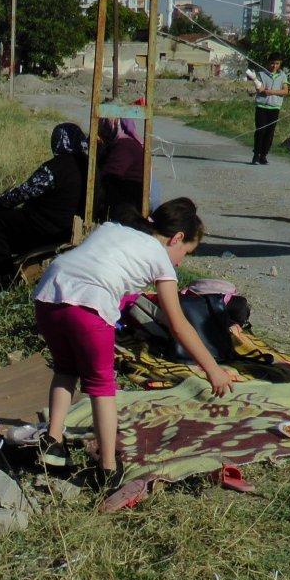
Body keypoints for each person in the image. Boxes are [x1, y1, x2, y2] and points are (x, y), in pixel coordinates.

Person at [31, 198, 238, 490]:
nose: (180, 261)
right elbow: (178, 325)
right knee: (102, 387)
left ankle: (51, 443)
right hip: (90, 305)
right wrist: (212, 369)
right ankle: (107, 469)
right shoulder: (160, 258)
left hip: (49, 294)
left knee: (66, 368)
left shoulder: (112, 228)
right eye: (185, 253)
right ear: (177, 238)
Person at [0, 123, 88, 281]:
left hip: (44, 229)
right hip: (70, 229)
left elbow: (25, 192)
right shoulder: (89, 168)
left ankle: (3, 274)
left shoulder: (55, 168)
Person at [96, 117, 146, 226]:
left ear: (116, 124)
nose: (100, 126)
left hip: (126, 210)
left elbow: (106, 177)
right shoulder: (119, 144)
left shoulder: (125, 145)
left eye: (105, 122)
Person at [250, 54, 290, 165]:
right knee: (260, 130)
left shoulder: (283, 76)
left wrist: (272, 92)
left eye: (277, 63)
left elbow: (285, 91)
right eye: (272, 63)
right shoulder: (261, 74)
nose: (274, 66)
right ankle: (256, 154)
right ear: (268, 63)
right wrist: (262, 89)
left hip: (275, 107)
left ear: (280, 64)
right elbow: (259, 88)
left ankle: (264, 155)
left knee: (269, 132)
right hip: (262, 106)